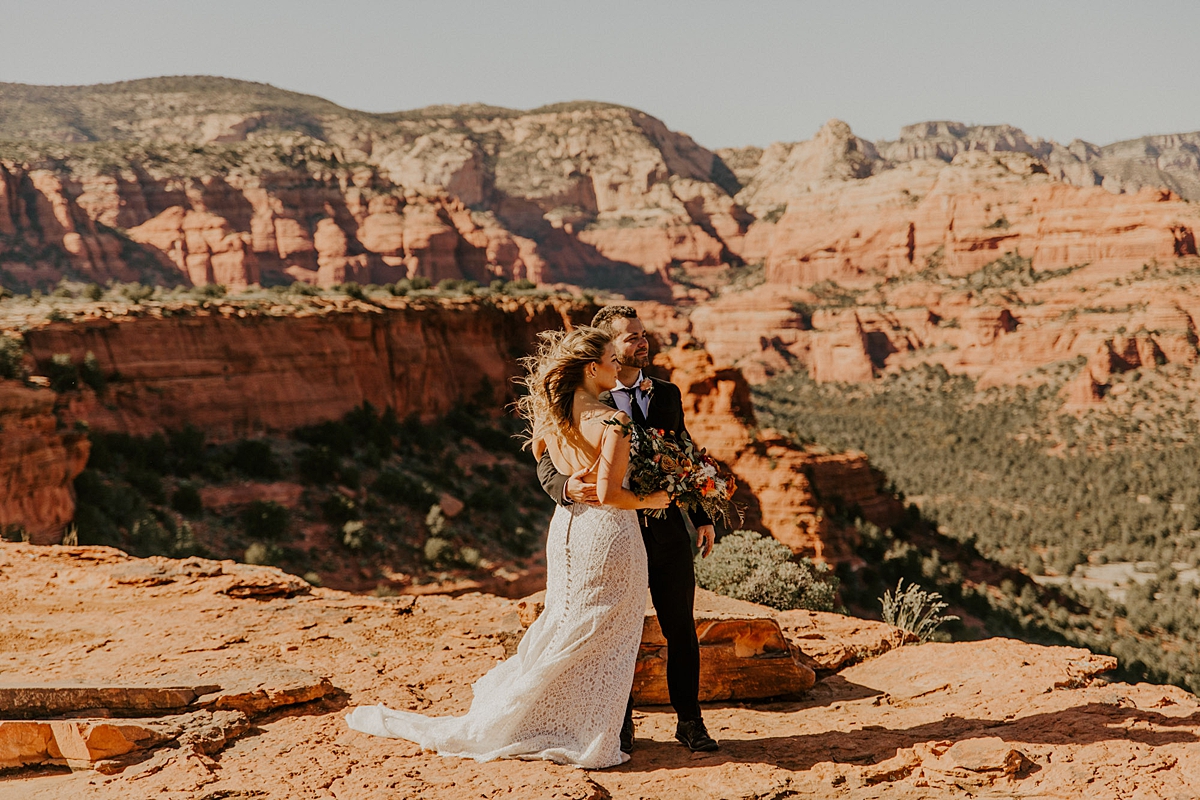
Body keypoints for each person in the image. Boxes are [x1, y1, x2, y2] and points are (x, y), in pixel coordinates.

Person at [345, 326, 669, 769]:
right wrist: (653, 499)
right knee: (607, 633)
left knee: (567, 624)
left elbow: (543, 458)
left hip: (568, 530)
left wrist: (570, 481)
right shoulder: (614, 421)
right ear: (593, 368)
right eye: (613, 360)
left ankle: (554, 719)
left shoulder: (553, 415)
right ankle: (585, 730)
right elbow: (610, 494)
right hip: (610, 535)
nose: (620, 366)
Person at [537, 305, 720, 754]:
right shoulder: (586, 401)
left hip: (666, 533)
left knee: (681, 628)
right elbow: (546, 459)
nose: (643, 342)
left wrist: (700, 516)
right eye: (631, 337)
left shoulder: (667, 393)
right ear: (609, 349)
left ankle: (690, 722)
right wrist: (565, 488)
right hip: (614, 533)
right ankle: (619, 724)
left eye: (643, 334)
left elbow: (682, 454)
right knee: (617, 633)